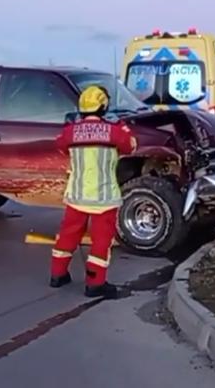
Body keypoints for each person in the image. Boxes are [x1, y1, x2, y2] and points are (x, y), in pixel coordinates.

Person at [50, 85, 137, 299]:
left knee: (68, 235)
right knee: (101, 241)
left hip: (77, 194)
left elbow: (60, 146)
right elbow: (131, 147)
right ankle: (95, 283)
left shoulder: (71, 131)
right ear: (103, 106)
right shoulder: (113, 131)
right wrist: (123, 126)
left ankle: (57, 275)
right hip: (103, 197)